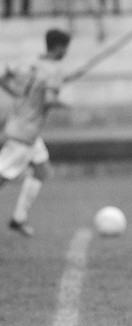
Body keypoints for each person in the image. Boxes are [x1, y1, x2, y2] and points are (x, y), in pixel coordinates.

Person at [0, 28, 71, 237]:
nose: (65, 52)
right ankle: (19, 217)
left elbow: (3, 76)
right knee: (3, 176)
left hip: (20, 127)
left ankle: (19, 218)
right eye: (65, 49)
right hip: (24, 134)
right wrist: (63, 103)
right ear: (59, 47)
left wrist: (15, 92)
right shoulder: (55, 70)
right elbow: (48, 99)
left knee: (41, 169)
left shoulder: (27, 62)